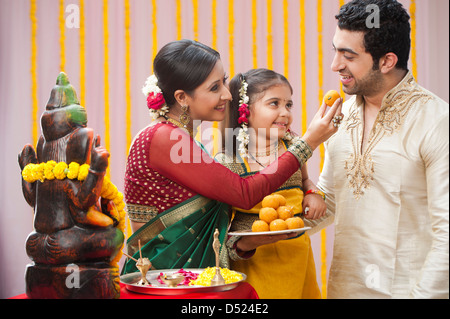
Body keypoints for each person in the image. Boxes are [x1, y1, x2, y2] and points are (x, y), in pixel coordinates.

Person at [122, 39, 343, 274]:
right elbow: (243, 193)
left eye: (224, 82)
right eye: (214, 87)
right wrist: (308, 142)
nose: (228, 95)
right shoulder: (164, 138)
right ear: (182, 97)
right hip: (164, 277)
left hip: (182, 276)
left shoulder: (180, 139)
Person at [315, 0, 449, 298]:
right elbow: (329, 201)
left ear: (387, 61)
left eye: (348, 55)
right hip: (342, 291)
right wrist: (255, 234)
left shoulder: (437, 121)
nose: (335, 65)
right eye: (335, 50)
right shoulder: (341, 115)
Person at [216, 68, 334, 299]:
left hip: (296, 256)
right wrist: (246, 244)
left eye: (288, 105)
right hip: (255, 263)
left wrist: (312, 194)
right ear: (245, 111)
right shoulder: (228, 162)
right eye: (274, 103)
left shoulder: (291, 148)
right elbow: (219, 232)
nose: (285, 113)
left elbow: (306, 181)